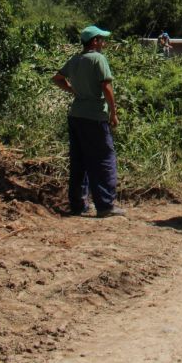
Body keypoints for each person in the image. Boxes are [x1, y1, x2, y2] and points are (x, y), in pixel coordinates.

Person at [51, 25, 125, 218]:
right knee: (103, 159)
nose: (104, 43)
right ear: (94, 42)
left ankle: (78, 204)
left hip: (76, 115)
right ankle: (105, 205)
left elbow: (57, 78)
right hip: (95, 117)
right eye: (102, 39)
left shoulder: (75, 60)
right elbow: (106, 87)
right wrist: (113, 113)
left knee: (79, 160)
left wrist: (74, 91)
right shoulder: (98, 59)